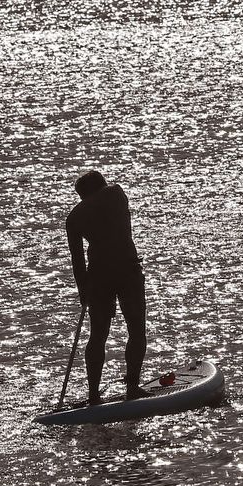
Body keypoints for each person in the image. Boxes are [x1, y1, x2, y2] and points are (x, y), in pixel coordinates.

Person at [65, 170, 148, 403]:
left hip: (98, 277)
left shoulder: (75, 218)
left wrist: (84, 291)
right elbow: (78, 259)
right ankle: (132, 387)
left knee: (98, 335)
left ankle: (93, 395)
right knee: (136, 329)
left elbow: (77, 261)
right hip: (126, 271)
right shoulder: (116, 194)